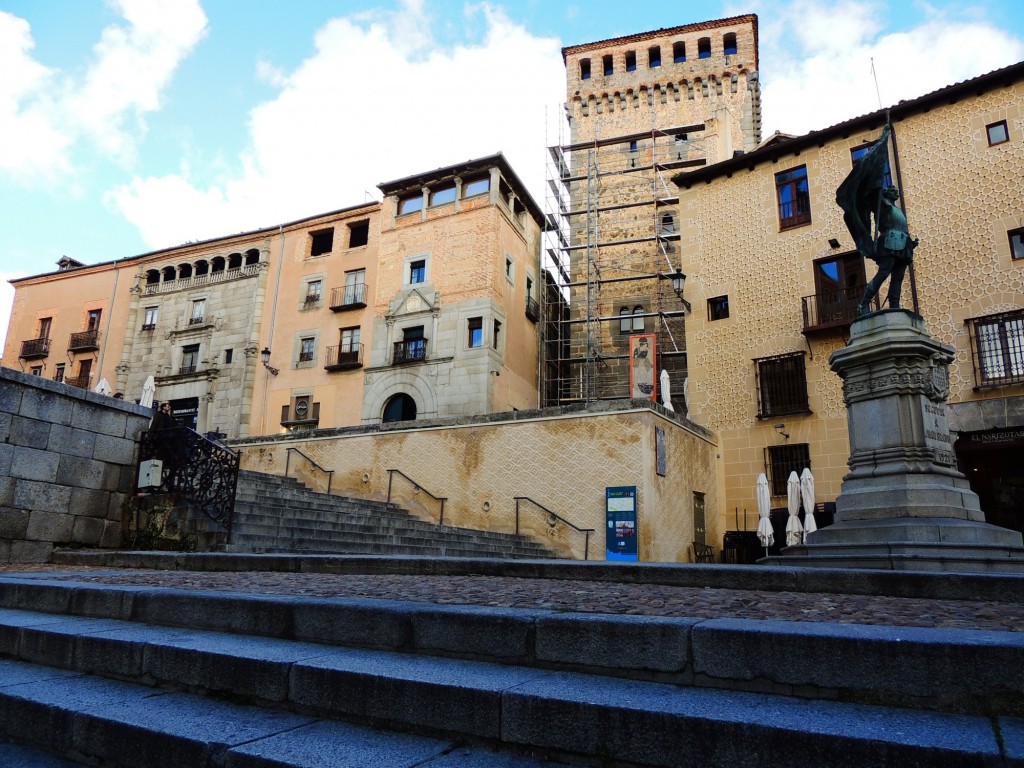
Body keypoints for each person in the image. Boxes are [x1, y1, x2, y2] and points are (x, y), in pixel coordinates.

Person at [856, 185, 918, 315]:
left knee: (899, 276)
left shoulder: (898, 210)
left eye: (896, 190)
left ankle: (894, 304)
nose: (896, 191)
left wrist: (911, 244)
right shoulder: (883, 204)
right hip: (888, 242)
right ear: (886, 193)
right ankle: (864, 303)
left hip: (903, 243)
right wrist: (876, 183)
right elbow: (870, 195)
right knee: (884, 272)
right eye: (892, 189)